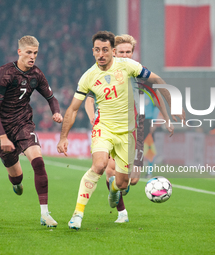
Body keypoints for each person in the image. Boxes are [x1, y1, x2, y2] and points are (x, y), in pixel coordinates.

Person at [57, 31, 176, 230]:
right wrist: (64, 137)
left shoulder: (128, 67)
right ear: (93, 51)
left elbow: (156, 82)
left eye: (105, 50)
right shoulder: (88, 76)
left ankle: (113, 188)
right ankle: (77, 214)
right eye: (97, 50)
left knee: (124, 183)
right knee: (100, 165)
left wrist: (173, 107)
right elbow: (73, 108)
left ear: (112, 51)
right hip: (104, 128)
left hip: (129, 132)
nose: (101, 54)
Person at [0, 35, 63, 228]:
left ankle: (45, 214)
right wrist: (3, 137)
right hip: (2, 128)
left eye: (35, 53)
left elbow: (51, 97)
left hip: (23, 124)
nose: (32, 57)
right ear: (19, 51)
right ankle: (16, 182)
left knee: (38, 162)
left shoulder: (36, 74)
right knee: (17, 177)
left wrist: (56, 112)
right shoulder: (5, 73)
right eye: (29, 52)